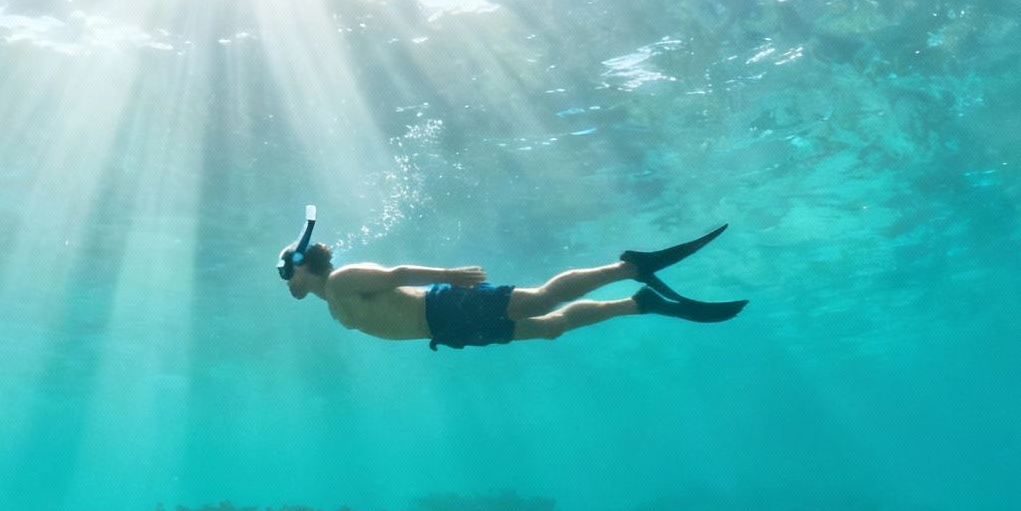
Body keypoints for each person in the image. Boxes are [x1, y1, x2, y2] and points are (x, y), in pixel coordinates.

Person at [276, 206, 747, 350]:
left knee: (541, 301)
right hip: (447, 329)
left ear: (303, 263)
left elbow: (396, 273)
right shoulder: (329, 301)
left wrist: (449, 275)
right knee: (550, 327)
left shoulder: (342, 281)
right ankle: (638, 302)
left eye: (285, 269)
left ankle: (629, 267)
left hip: (445, 307)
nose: (283, 279)